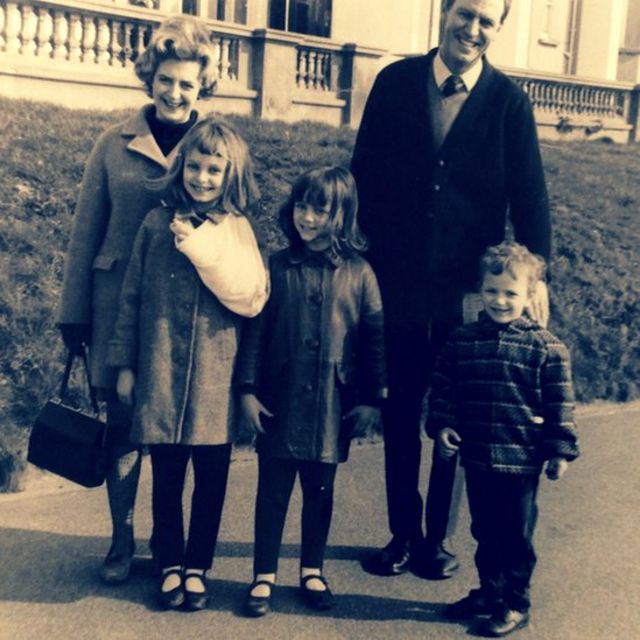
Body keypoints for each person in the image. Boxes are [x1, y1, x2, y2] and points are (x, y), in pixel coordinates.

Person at [350, 0, 551, 579]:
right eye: (466, 13)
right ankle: (401, 534)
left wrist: (537, 278)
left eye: (488, 20)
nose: (474, 28)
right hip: (397, 285)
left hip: (467, 295)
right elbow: (362, 174)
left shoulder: (509, 104)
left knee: (451, 420)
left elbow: (530, 197)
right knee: (399, 411)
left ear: (498, 30)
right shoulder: (395, 83)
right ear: (444, 12)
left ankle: (437, 538)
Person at [57, 15, 218, 585]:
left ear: (203, 88)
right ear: (150, 78)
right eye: (167, 80)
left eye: (188, 85)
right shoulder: (112, 143)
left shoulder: (212, 146)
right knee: (124, 428)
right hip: (115, 311)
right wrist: (72, 312)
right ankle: (121, 538)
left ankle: (166, 542)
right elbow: (84, 233)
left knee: (172, 432)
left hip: (183, 318)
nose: (176, 93)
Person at [106, 117, 266, 611]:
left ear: (230, 175)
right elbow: (130, 297)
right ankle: (169, 562)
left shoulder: (237, 230)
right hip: (162, 372)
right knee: (168, 476)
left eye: (214, 170)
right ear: (181, 169)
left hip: (216, 379)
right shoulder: (158, 223)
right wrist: (126, 365)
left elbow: (254, 300)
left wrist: (245, 382)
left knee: (212, 478)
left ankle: (198, 565)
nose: (202, 178)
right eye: (194, 167)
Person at [235, 166, 387, 617]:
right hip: (279, 400)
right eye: (302, 206)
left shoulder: (361, 274)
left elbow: (375, 339)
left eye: (320, 209)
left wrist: (370, 398)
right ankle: (263, 574)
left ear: (341, 214)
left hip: (331, 404)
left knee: (319, 491)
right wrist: (246, 389)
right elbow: (255, 333)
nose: (308, 217)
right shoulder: (277, 266)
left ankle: (312, 570)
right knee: (273, 490)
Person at [428, 241, 579, 637]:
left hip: (521, 464)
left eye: (511, 293)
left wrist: (559, 451)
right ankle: (489, 592)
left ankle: (515, 602)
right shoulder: (464, 341)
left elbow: (560, 404)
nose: (499, 300)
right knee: (484, 531)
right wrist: (443, 425)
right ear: (480, 289)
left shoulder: (546, 348)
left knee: (514, 537)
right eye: (492, 290)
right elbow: (443, 389)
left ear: (530, 295)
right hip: (477, 458)